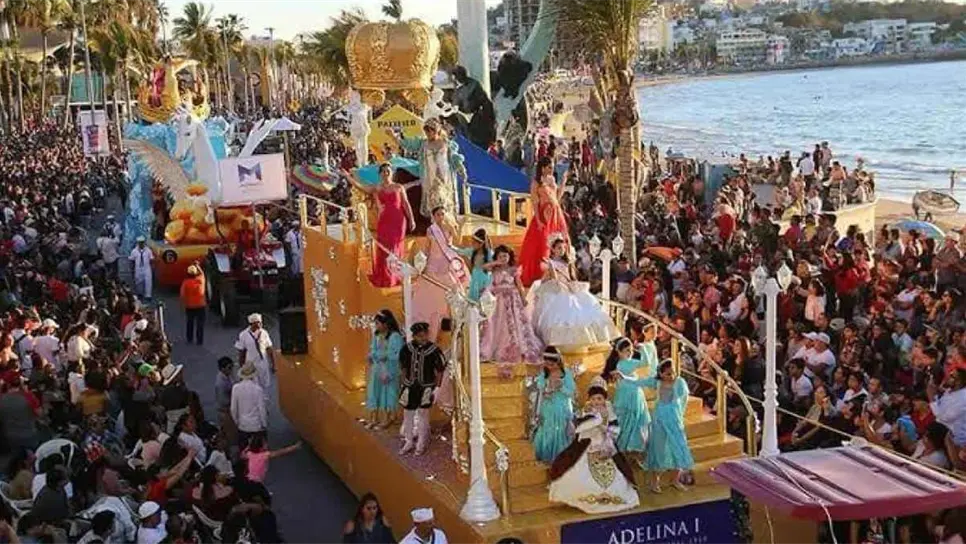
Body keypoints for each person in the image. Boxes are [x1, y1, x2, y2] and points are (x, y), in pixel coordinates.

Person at [548, 385, 639, 514]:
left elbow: (615, 429)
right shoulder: (586, 411)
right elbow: (578, 428)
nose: (596, 402)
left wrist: (605, 430)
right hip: (587, 445)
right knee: (574, 466)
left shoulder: (609, 412)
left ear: (604, 399)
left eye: (599, 399)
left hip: (605, 445)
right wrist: (589, 425)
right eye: (593, 399)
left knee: (616, 469)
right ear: (589, 399)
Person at [530, 237, 619, 347]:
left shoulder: (567, 262)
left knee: (584, 307)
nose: (561, 250)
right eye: (558, 248)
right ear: (553, 249)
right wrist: (553, 277)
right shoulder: (551, 263)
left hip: (568, 287)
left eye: (563, 248)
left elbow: (571, 277)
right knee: (564, 314)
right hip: (559, 289)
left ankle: (588, 338)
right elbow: (554, 278)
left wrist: (573, 284)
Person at [344, 162, 414, 287]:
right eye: (383, 172)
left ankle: (394, 276)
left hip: (398, 221)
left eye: (388, 171)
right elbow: (361, 187)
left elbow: (406, 204)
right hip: (384, 221)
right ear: (380, 174)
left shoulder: (399, 187)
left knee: (395, 248)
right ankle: (384, 276)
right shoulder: (377, 188)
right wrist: (348, 177)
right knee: (384, 248)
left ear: (391, 173)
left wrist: (411, 220)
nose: (386, 174)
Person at [479, 245, 542, 372]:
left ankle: (518, 347)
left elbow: (519, 285)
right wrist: (496, 262)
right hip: (499, 301)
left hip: (513, 299)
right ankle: (498, 347)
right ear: (496, 257)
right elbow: (482, 268)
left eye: (506, 256)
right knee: (499, 324)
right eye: (501, 256)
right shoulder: (494, 270)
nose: (504, 258)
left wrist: (523, 298)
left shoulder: (513, 270)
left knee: (515, 323)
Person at [411, 207, 467, 342]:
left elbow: (458, 242)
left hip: (447, 262)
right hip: (433, 262)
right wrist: (422, 262)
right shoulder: (431, 230)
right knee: (432, 290)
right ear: (434, 216)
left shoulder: (449, 227)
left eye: (442, 214)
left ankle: (453, 319)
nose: (441, 216)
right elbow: (427, 247)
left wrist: (459, 227)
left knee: (453, 287)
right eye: (438, 214)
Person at [640, 359, 695, 493]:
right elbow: (640, 382)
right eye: (668, 374)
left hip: (674, 419)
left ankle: (675, 479)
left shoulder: (680, 382)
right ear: (661, 374)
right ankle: (655, 481)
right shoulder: (657, 383)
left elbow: (684, 399)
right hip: (659, 418)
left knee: (678, 446)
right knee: (659, 448)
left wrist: (679, 414)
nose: (671, 376)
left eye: (673, 373)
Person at [519, 156, 569, 287]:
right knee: (541, 244)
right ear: (542, 168)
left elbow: (557, 197)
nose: (552, 170)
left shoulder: (552, 180)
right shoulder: (536, 183)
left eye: (552, 167)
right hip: (543, 216)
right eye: (549, 167)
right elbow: (535, 203)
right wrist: (538, 220)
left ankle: (559, 272)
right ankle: (540, 275)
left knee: (558, 240)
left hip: (555, 215)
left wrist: (563, 182)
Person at [398, 322, 445, 456]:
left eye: (425, 336)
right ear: (414, 336)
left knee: (423, 415)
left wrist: (437, 388)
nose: (423, 339)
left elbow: (440, 370)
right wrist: (403, 384)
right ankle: (408, 441)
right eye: (420, 336)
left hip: (426, 388)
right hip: (410, 386)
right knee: (408, 415)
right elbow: (403, 368)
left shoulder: (434, 350)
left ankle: (421, 443)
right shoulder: (406, 349)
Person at [603, 336, 653, 457]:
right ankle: (629, 446)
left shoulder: (621, 364)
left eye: (631, 350)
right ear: (619, 352)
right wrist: (642, 348)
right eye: (627, 351)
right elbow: (646, 362)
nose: (630, 353)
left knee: (626, 420)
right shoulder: (626, 364)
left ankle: (624, 446)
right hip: (631, 395)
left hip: (629, 394)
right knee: (633, 420)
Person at [532, 347, 576, 462]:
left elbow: (571, 393)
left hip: (562, 411)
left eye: (552, 365)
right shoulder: (544, 375)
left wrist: (561, 387)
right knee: (547, 433)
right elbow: (541, 392)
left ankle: (560, 461)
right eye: (547, 365)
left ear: (558, 361)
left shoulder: (566, 374)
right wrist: (538, 412)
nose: (549, 367)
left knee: (561, 434)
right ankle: (546, 460)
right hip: (547, 410)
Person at [366, 310, 404, 429]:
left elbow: (399, 354)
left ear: (386, 323)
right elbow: (373, 349)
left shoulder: (395, 337)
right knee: (374, 391)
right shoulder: (377, 335)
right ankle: (373, 418)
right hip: (377, 368)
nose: (376, 326)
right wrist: (371, 355)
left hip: (390, 370)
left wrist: (386, 356)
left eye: (378, 323)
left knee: (388, 393)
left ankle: (387, 418)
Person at [235, 313, 275, 394]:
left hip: (263, 364)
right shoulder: (243, 335)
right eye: (258, 322)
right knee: (254, 386)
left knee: (264, 385)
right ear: (252, 324)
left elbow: (269, 348)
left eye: (261, 322)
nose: (260, 324)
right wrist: (242, 367)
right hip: (251, 365)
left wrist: (273, 364)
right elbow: (241, 352)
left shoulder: (264, 333)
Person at [231, 363, 268, 448]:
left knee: (244, 451)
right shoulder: (258, 389)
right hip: (256, 425)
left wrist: (237, 422)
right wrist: (264, 424)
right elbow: (262, 410)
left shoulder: (236, 388)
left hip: (243, 425)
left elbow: (233, 409)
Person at [179, 264, 205, 345]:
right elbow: (202, 274)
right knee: (200, 324)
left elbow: (182, 295)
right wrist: (198, 266)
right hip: (201, 306)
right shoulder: (201, 281)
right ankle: (199, 340)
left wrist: (183, 303)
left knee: (190, 322)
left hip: (190, 306)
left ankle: (189, 338)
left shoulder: (186, 283)